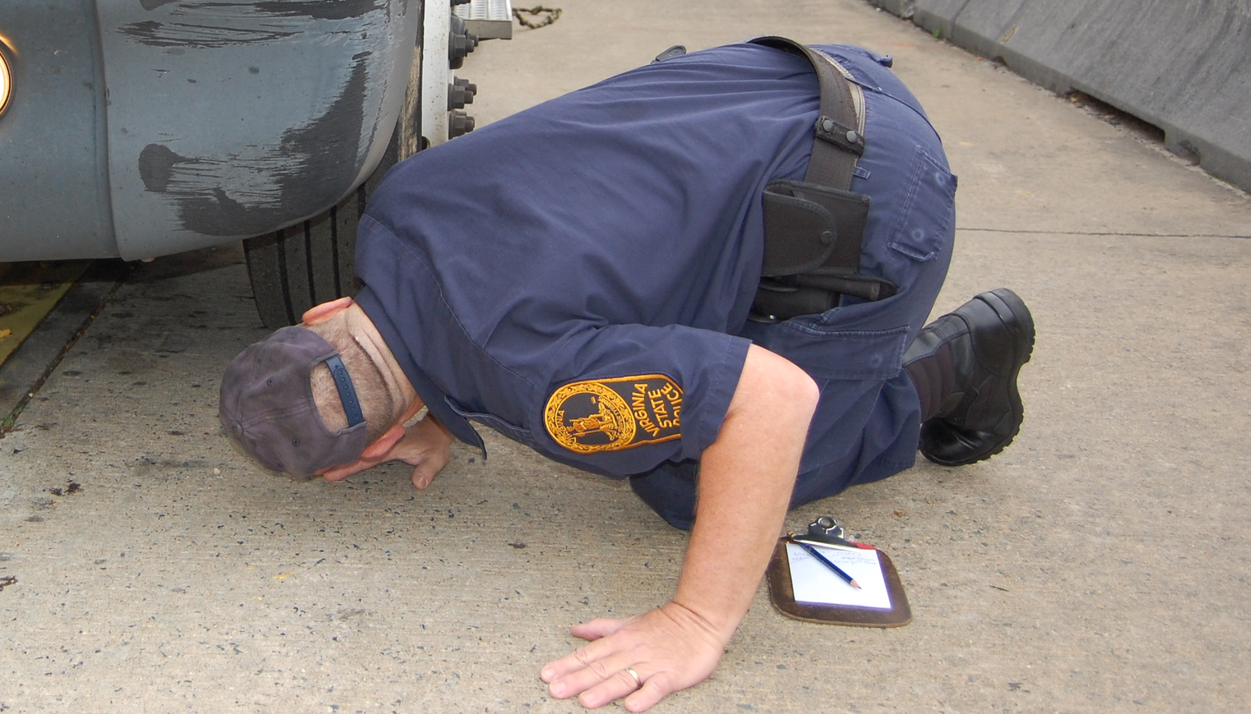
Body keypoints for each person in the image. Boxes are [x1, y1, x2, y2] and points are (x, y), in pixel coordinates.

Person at [220, 39, 1035, 711]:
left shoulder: (541, 385)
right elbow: (484, 278)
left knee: (692, 482)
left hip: (878, 193)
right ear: (325, 312)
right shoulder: (397, 204)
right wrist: (439, 399)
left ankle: (958, 363)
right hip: (797, 76)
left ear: (379, 438)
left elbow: (772, 400)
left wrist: (696, 618)